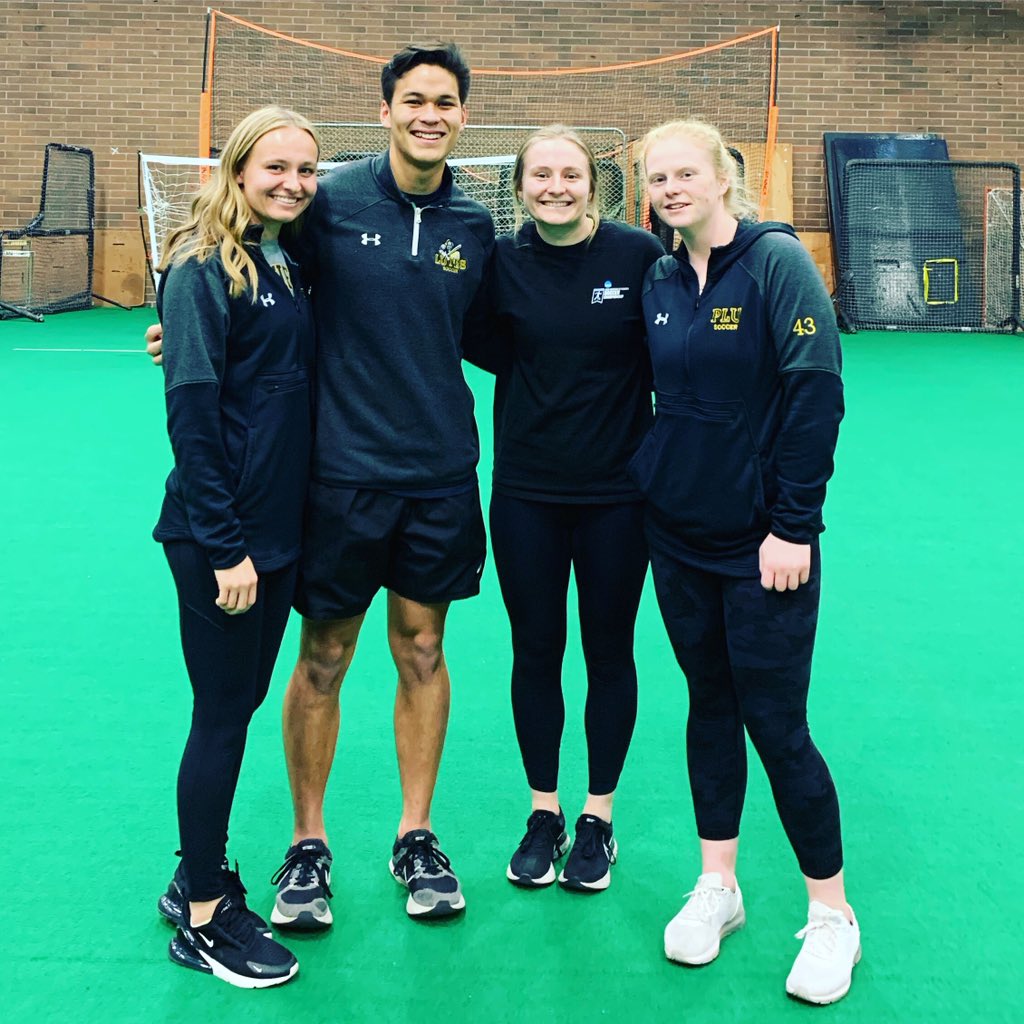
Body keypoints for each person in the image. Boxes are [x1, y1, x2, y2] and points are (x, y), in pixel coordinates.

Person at [148, 42, 494, 925]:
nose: (429, 114)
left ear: (463, 115)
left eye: (445, 102)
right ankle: (309, 846)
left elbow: (503, 336)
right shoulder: (328, 203)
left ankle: (416, 836)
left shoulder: (475, 227)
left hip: (440, 477)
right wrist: (180, 334)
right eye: (413, 99)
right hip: (337, 479)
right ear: (384, 111)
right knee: (325, 658)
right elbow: (235, 265)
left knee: (421, 651)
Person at [630, 119, 860, 1004]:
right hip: (676, 538)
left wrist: (794, 525)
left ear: (724, 177)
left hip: (764, 546)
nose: (672, 186)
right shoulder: (655, 276)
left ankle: (832, 915)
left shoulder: (776, 264)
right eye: (657, 176)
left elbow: (816, 395)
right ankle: (718, 887)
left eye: (687, 172)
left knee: (777, 723)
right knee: (709, 708)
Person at [463, 126, 664, 892]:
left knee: (609, 652)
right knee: (535, 650)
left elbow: (674, 349)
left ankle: (597, 820)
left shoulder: (638, 258)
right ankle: (543, 813)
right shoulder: (500, 264)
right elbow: (469, 336)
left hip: (618, 498)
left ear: (594, 185)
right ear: (518, 188)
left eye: (570, 174)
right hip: (525, 495)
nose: (556, 186)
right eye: (540, 175)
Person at [153, 106, 319, 987]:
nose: (292, 182)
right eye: (275, 167)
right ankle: (208, 916)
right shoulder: (200, 267)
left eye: (306, 169)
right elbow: (192, 414)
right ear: (237, 167)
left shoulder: (286, 259)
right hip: (223, 541)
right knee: (221, 717)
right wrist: (224, 547)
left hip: (279, 537)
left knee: (241, 704)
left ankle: (194, 878)